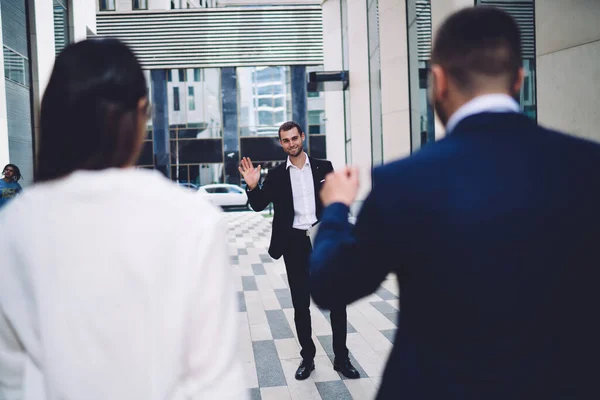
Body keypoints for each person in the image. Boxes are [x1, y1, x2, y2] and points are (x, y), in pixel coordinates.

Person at [309, 7, 599, 400]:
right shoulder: (588, 167)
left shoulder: (402, 182)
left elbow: (330, 285)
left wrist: (337, 208)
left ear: (439, 81)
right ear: (519, 78)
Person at [0, 39, 247, 400]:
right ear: (141, 112)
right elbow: (215, 383)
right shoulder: (191, 219)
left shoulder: (16, 226)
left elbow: (12, 379)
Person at [238, 121, 359, 380]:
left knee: (337, 300)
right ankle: (307, 357)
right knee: (301, 304)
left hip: (323, 239)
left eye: (295, 138)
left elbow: (336, 200)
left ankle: (342, 357)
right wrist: (252, 186)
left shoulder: (324, 167)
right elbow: (259, 204)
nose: (291, 143)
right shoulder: (277, 175)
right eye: (286, 140)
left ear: (302, 137)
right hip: (295, 244)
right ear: (281, 144)